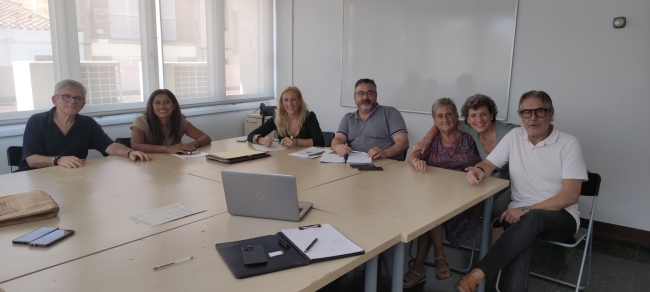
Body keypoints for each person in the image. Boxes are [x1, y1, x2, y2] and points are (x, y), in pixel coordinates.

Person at [455, 91, 588, 292]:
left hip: (561, 217)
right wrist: (479, 170)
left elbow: (570, 196)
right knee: (521, 239)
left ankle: (478, 273)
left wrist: (526, 209)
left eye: (540, 111)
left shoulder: (568, 144)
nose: (533, 118)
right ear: (520, 115)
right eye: (527, 112)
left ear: (551, 113)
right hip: (518, 216)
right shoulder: (514, 136)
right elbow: (490, 163)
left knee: (531, 220)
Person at [403, 98, 481, 289]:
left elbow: (471, 168)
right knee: (431, 207)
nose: (444, 119)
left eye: (449, 114)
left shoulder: (466, 139)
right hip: (435, 199)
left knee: (431, 209)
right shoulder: (431, 141)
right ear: (434, 121)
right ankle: (439, 257)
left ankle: (419, 267)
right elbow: (412, 156)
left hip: (462, 201)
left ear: (456, 117)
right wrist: (416, 161)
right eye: (439, 116)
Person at [413, 94, 519, 219]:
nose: (479, 120)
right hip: (504, 174)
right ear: (468, 119)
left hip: (524, 177)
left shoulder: (510, 132)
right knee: (484, 203)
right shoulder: (472, 129)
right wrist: (427, 140)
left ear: (491, 115)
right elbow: (442, 123)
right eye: (473, 115)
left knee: (495, 209)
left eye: (484, 114)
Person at [19, 79, 150, 171]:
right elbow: (31, 159)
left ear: (83, 104)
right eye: (66, 96)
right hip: (37, 178)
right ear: (55, 100)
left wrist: (129, 152)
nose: (72, 101)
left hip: (73, 178)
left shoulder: (87, 124)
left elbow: (109, 145)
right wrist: (59, 160)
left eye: (78, 98)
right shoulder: (37, 121)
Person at [331, 78, 409, 160]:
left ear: (376, 95)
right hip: (355, 162)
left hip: (385, 163)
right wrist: (337, 147)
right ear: (355, 97)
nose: (365, 97)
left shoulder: (390, 113)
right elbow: (338, 139)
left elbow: (403, 142)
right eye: (361, 93)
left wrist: (385, 153)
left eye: (370, 93)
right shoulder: (348, 118)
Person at [131, 89, 211, 153]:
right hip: (148, 163)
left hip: (173, 163)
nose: (162, 106)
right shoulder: (141, 121)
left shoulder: (179, 120)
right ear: (152, 106)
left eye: (167, 103)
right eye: (157, 103)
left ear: (174, 106)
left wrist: (188, 146)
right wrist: (169, 148)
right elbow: (136, 145)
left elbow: (205, 138)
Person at [248, 86, 324, 147]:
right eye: (286, 100)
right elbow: (251, 135)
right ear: (282, 102)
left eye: (293, 99)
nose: (289, 103)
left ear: (300, 101)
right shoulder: (278, 118)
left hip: (308, 162)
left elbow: (320, 142)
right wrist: (262, 140)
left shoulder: (309, 117)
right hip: (284, 160)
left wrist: (297, 142)